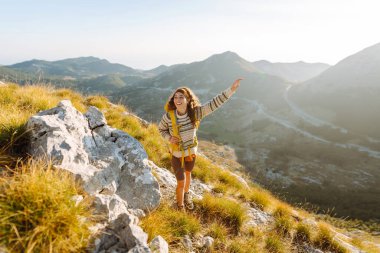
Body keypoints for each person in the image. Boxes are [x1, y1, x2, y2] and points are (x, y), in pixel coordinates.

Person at [158, 79, 242, 211]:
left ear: (188, 100)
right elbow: (161, 129)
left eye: (181, 97)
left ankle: (186, 195)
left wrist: (230, 90)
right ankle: (180, 207)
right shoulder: (168, 117)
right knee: (180, 182)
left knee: (188, 173)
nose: (178, 99)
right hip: (177, 154)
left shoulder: (195, 113)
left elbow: (214, 104)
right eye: (175, 97)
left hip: (191, 152)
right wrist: (169, 137)